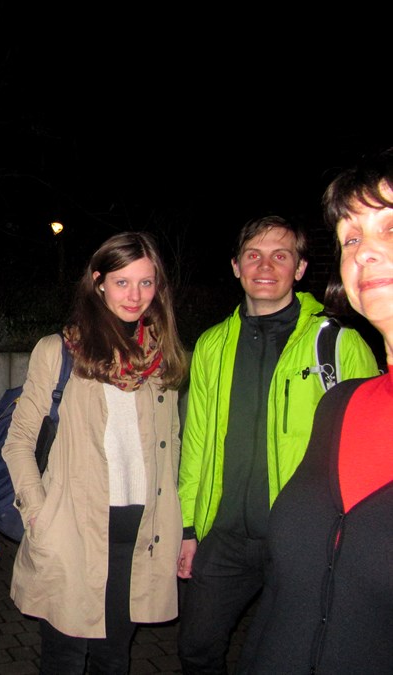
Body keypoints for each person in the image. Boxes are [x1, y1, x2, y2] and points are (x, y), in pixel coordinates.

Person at [175, 215, 380, 673]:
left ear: (300, 268)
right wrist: (187, 527)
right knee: (196, 648)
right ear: (236, 266)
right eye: (254, 255)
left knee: (288, 659)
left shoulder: (338, 344)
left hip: (303, 540)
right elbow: (196, 441)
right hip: (223, 536)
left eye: (280, 255)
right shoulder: (211, 345)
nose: (265, 266)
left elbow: (370, 451)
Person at [2, 232, 188, 674]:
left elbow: (172, 445)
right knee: (65, 659)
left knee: (113, 658)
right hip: (72, 530)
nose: (135, 295)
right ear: (99, 282)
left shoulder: (161, 359)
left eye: (146, 282)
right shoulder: (60, 351)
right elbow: (19, 440)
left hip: (140, 533)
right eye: (122, 282)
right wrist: (38, 514)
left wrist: (180, 526)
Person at [237, 148, 392, 673]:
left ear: (301, 269)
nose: (366, 253)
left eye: (390, 228)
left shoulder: (337, 346)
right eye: (351, 238)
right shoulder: (342, 406)